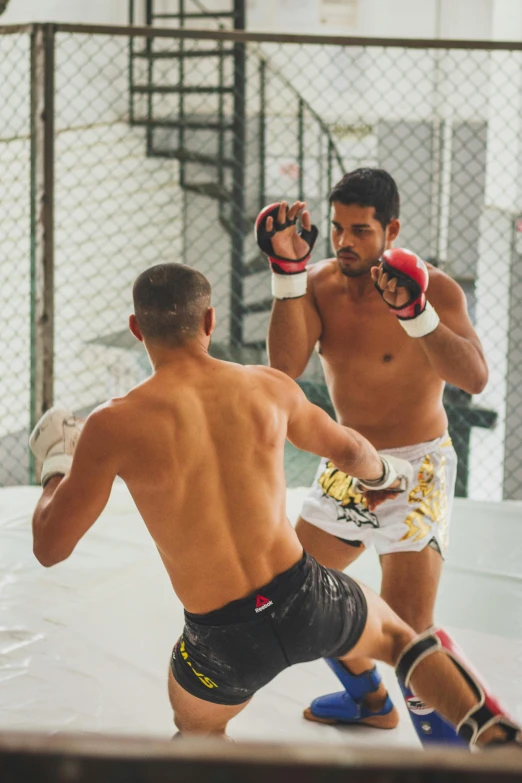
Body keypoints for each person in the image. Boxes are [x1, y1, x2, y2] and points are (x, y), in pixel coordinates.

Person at [29, 263, 516, 746]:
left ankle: (364, 706)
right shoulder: (267, 387)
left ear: (136, 329)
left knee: (197, 731)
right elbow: (350, 450)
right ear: (210, 321)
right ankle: (490, 731)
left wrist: (56, 466)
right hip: (305, 597)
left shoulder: (112, 425)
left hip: (221, 642)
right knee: (402, 639)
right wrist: (389, 475)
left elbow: (50, 548)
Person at [257, 168, 490, 745]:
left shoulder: (434, 287)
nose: (345, 242)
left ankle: (464, 749)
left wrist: (418, 315)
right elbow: (282, 372)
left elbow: (476, 378)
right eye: (338, 228)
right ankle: (368, 701)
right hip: (350, 460)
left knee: (410, 627)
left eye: (360, 230)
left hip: (419, 466)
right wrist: (286, 275)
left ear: (392, 230)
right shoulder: (317, 285)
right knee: (284, 596)